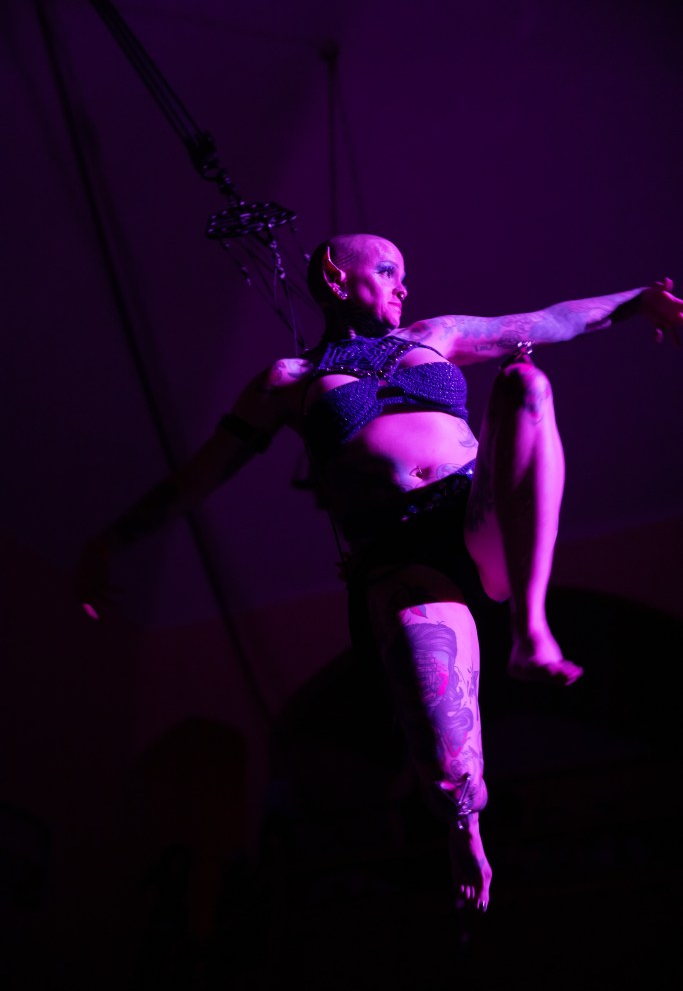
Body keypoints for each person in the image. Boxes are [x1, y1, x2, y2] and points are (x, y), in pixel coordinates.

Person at [76, 233, 682, 912]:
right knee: (449, 761)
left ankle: (529, 627)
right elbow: (199, 476)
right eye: (390, 271)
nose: (403, 286)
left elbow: (553, 320)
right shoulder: (287, 381)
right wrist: (111, 541)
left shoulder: (436, 336)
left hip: (474, 518)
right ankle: (464, 834)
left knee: (524, 381)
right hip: (398, 553)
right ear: (337, 276)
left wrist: (639, 301)